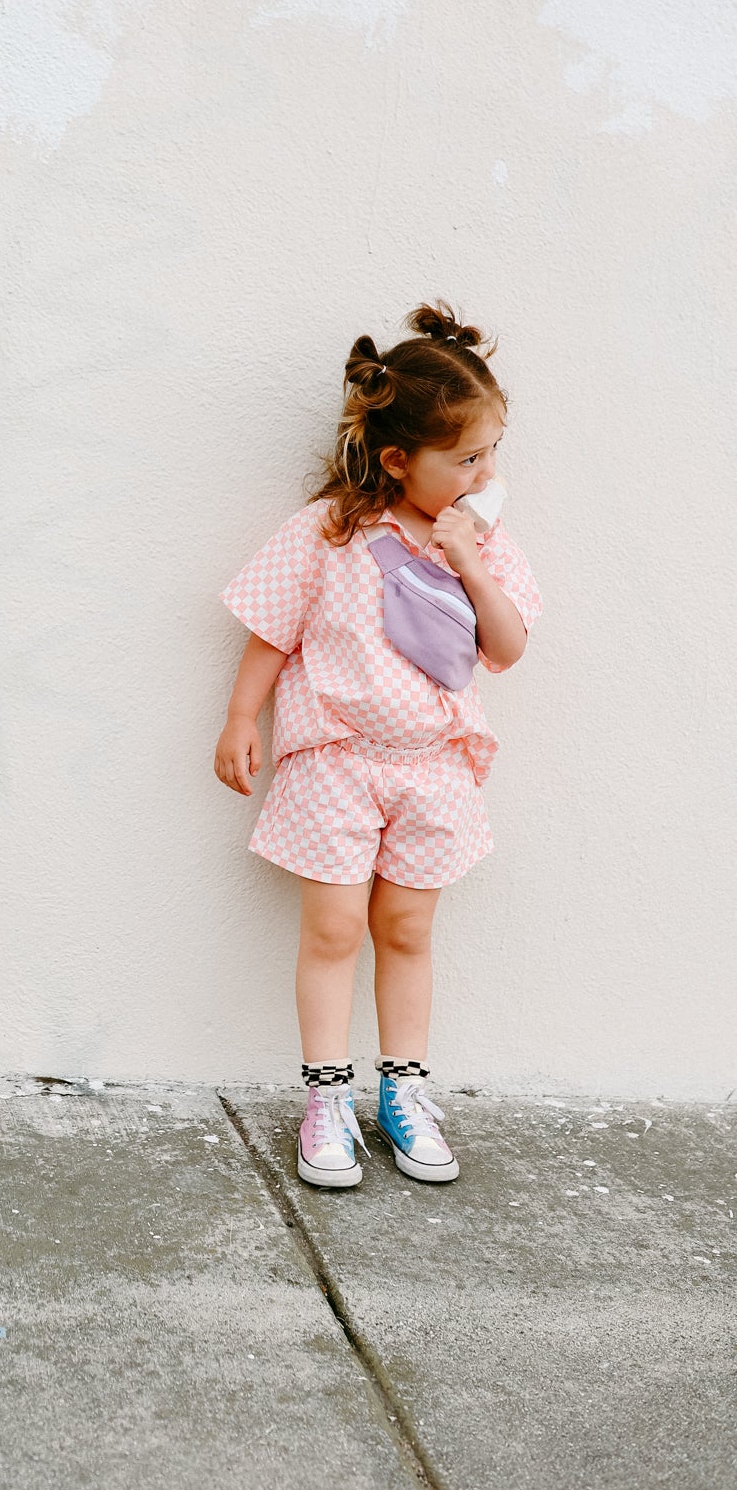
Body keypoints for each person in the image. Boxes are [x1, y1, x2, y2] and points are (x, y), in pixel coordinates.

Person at [214, 304, 540, 1189]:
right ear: (399, 459)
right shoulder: (330, 533)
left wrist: (467, 558)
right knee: (331, 928)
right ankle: (326, 1096)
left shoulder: (487, 545)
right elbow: (270, 633)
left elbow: (504, 650)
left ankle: (403, 1092)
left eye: (490, 454)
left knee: (404, 929)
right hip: (335, 761)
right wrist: (242, 718)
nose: (484, 473)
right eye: (465, 458)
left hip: (433, 767)